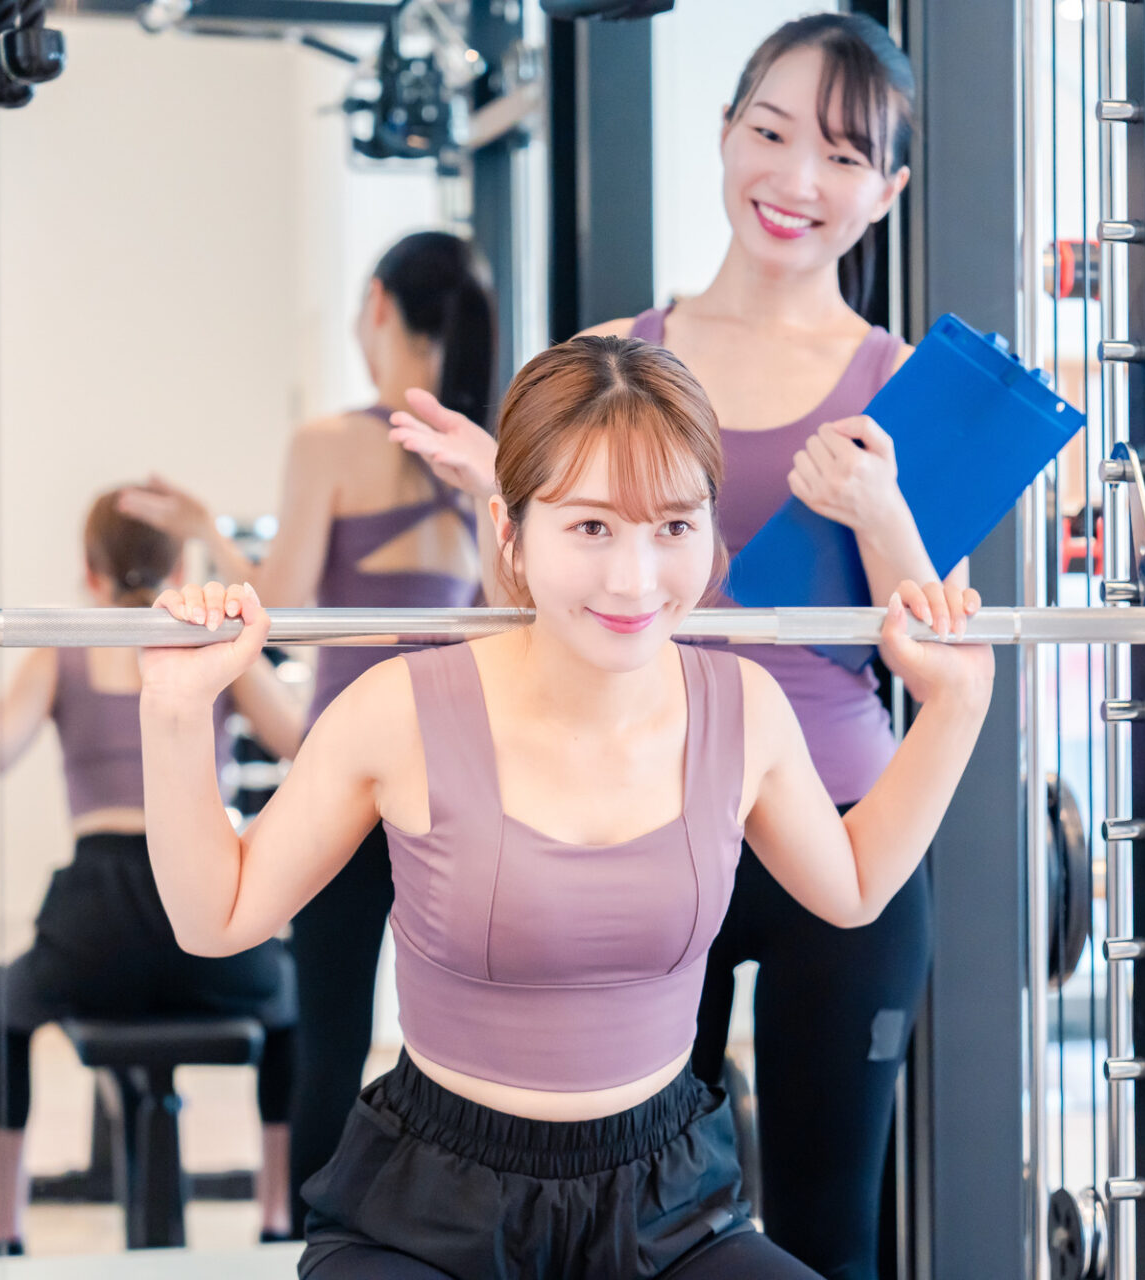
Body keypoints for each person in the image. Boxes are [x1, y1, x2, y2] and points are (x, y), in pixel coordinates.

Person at [135, 336, 992, 1279]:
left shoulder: (743, 709)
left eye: (674, 527)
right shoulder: (397, 711)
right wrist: (175, 714)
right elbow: (217, 917)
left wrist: (956, 706)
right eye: (591, 528)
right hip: (432, 1215)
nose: (636, 579)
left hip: (670, 1208)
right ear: (510, 533)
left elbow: (854, 886)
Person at [383, 18, 943, 1275]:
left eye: (844, 155)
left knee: (829, 1229)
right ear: (725, 133)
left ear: (889, 189)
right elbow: (532, 613)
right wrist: (501, 496)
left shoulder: (898, 382)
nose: (797, 179)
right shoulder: (606, 361)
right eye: (772, 132)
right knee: (622, 1219)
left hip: (835, 824)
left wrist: (881, 511)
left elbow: (937, 652)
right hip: (632, 815)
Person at [118, 230, 498, 1215]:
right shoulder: (489, 453)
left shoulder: (331, 444)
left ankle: (316, 1233)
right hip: (460, 775)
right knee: (461, 1038)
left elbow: (276, 605)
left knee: (331, 1028)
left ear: (378, 305)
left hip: (349, 774)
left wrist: (208, 531)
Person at [0, 490, 306, 1257]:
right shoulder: (215, 648)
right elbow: (305, 743)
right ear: (180, 566)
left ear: (90, 572)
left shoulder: (64, 652)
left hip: (97, 918)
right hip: (205, 908)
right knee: (292, 999)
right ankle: (278, 1219)